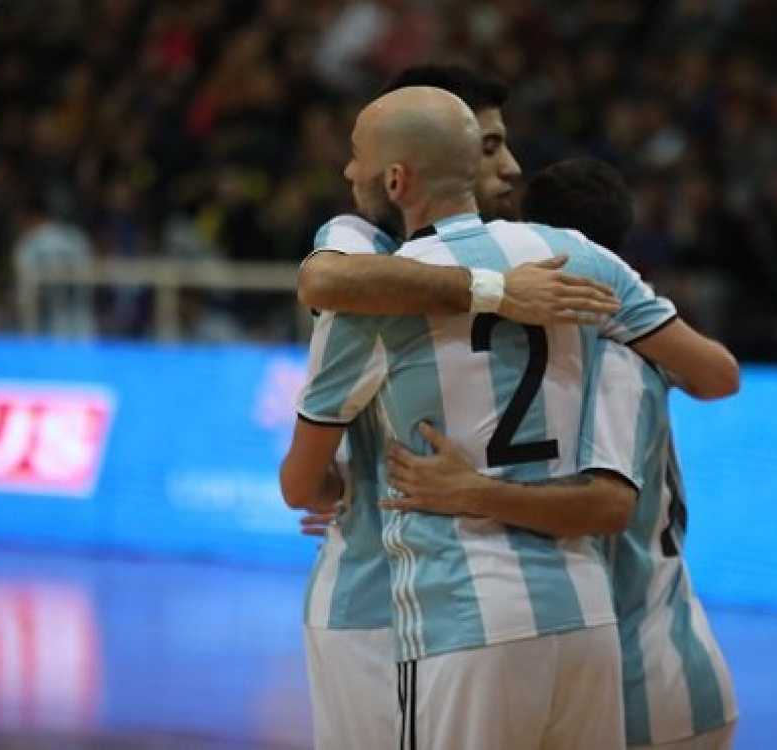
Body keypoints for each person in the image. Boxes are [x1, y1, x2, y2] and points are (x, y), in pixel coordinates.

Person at [281, 85, 688, 748]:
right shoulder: (574, 257)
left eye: (356, 156)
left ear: (395, 177)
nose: (347, 172)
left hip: (457, 620)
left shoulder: (373, 290)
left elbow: (300, 485)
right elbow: (713, 370)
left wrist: (348, 487)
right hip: (586, 614)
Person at [383, 157, 739, 749]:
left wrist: (469, 491)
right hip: (641, 663)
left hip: (652, 683)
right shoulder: (601, 352)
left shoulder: (618, 363)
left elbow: (607, 505)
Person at [298, 65, 739, 401]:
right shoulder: (361, 239)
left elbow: (714, 374)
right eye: (489, 147)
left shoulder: (541, 253)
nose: (512, 166)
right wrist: (497, 291)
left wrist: (617, 344)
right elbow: (322, 282)